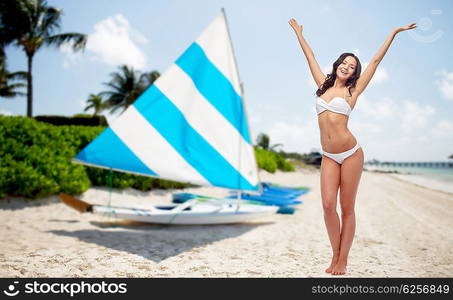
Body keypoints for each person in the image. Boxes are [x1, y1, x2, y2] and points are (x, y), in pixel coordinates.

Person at [288, 18, 416, 275]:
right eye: (344, 63)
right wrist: (299, 33)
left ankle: (342, 260)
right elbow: (309, 56)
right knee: (327, 206)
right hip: (328, 156)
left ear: (354, 72)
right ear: (337, 65)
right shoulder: (322, 84)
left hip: (350, 154)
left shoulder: (353, 91)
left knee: (347, 208)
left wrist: (394, 32)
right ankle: (335, 253)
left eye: (352, 66)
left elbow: (376, 62)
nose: (347, 67)